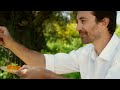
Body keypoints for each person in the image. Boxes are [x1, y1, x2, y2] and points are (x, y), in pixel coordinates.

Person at [0, 11, 119, 79]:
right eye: (77, 21)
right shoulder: (86, 53)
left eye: (83, 21)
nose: (77, 27)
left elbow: (45, 70)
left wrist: (47, 76)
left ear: (104, 23)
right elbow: (45, 62)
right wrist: (10, 43)